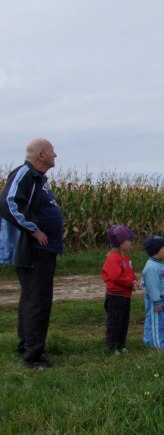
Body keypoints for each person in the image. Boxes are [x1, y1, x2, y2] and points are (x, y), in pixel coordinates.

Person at [0, 138, 64, 368]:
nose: (55, 155)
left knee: (32, 300)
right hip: (34, 250)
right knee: (37, 301)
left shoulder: (39, 179)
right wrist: (34, 229)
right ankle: (34, 357)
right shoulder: (25, 173)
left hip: (45, 250)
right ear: (40, 155)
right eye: (51, 151)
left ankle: (27, 346)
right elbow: (8, 203)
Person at [102, 225, 139, 355]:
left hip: (125, 296)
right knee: (115, 323)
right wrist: (130, 283)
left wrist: (134, 277)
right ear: (121, 242)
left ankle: (121, 344)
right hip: (115, 297)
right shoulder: (113, 258)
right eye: (129, 240)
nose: (131, 243)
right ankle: (112, 347)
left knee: (124, 322)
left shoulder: (125, 258)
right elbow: (116, 276)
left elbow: (127, 272)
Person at [142, 235, 164, 350]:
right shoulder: (152, 267)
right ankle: (158, 346)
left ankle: (149, 341)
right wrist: (157, 302)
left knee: (152, 321)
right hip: (156, 301)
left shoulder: (158, 263)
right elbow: (152, 287)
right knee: (157, 324)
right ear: (156, 250)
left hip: (160, 299)